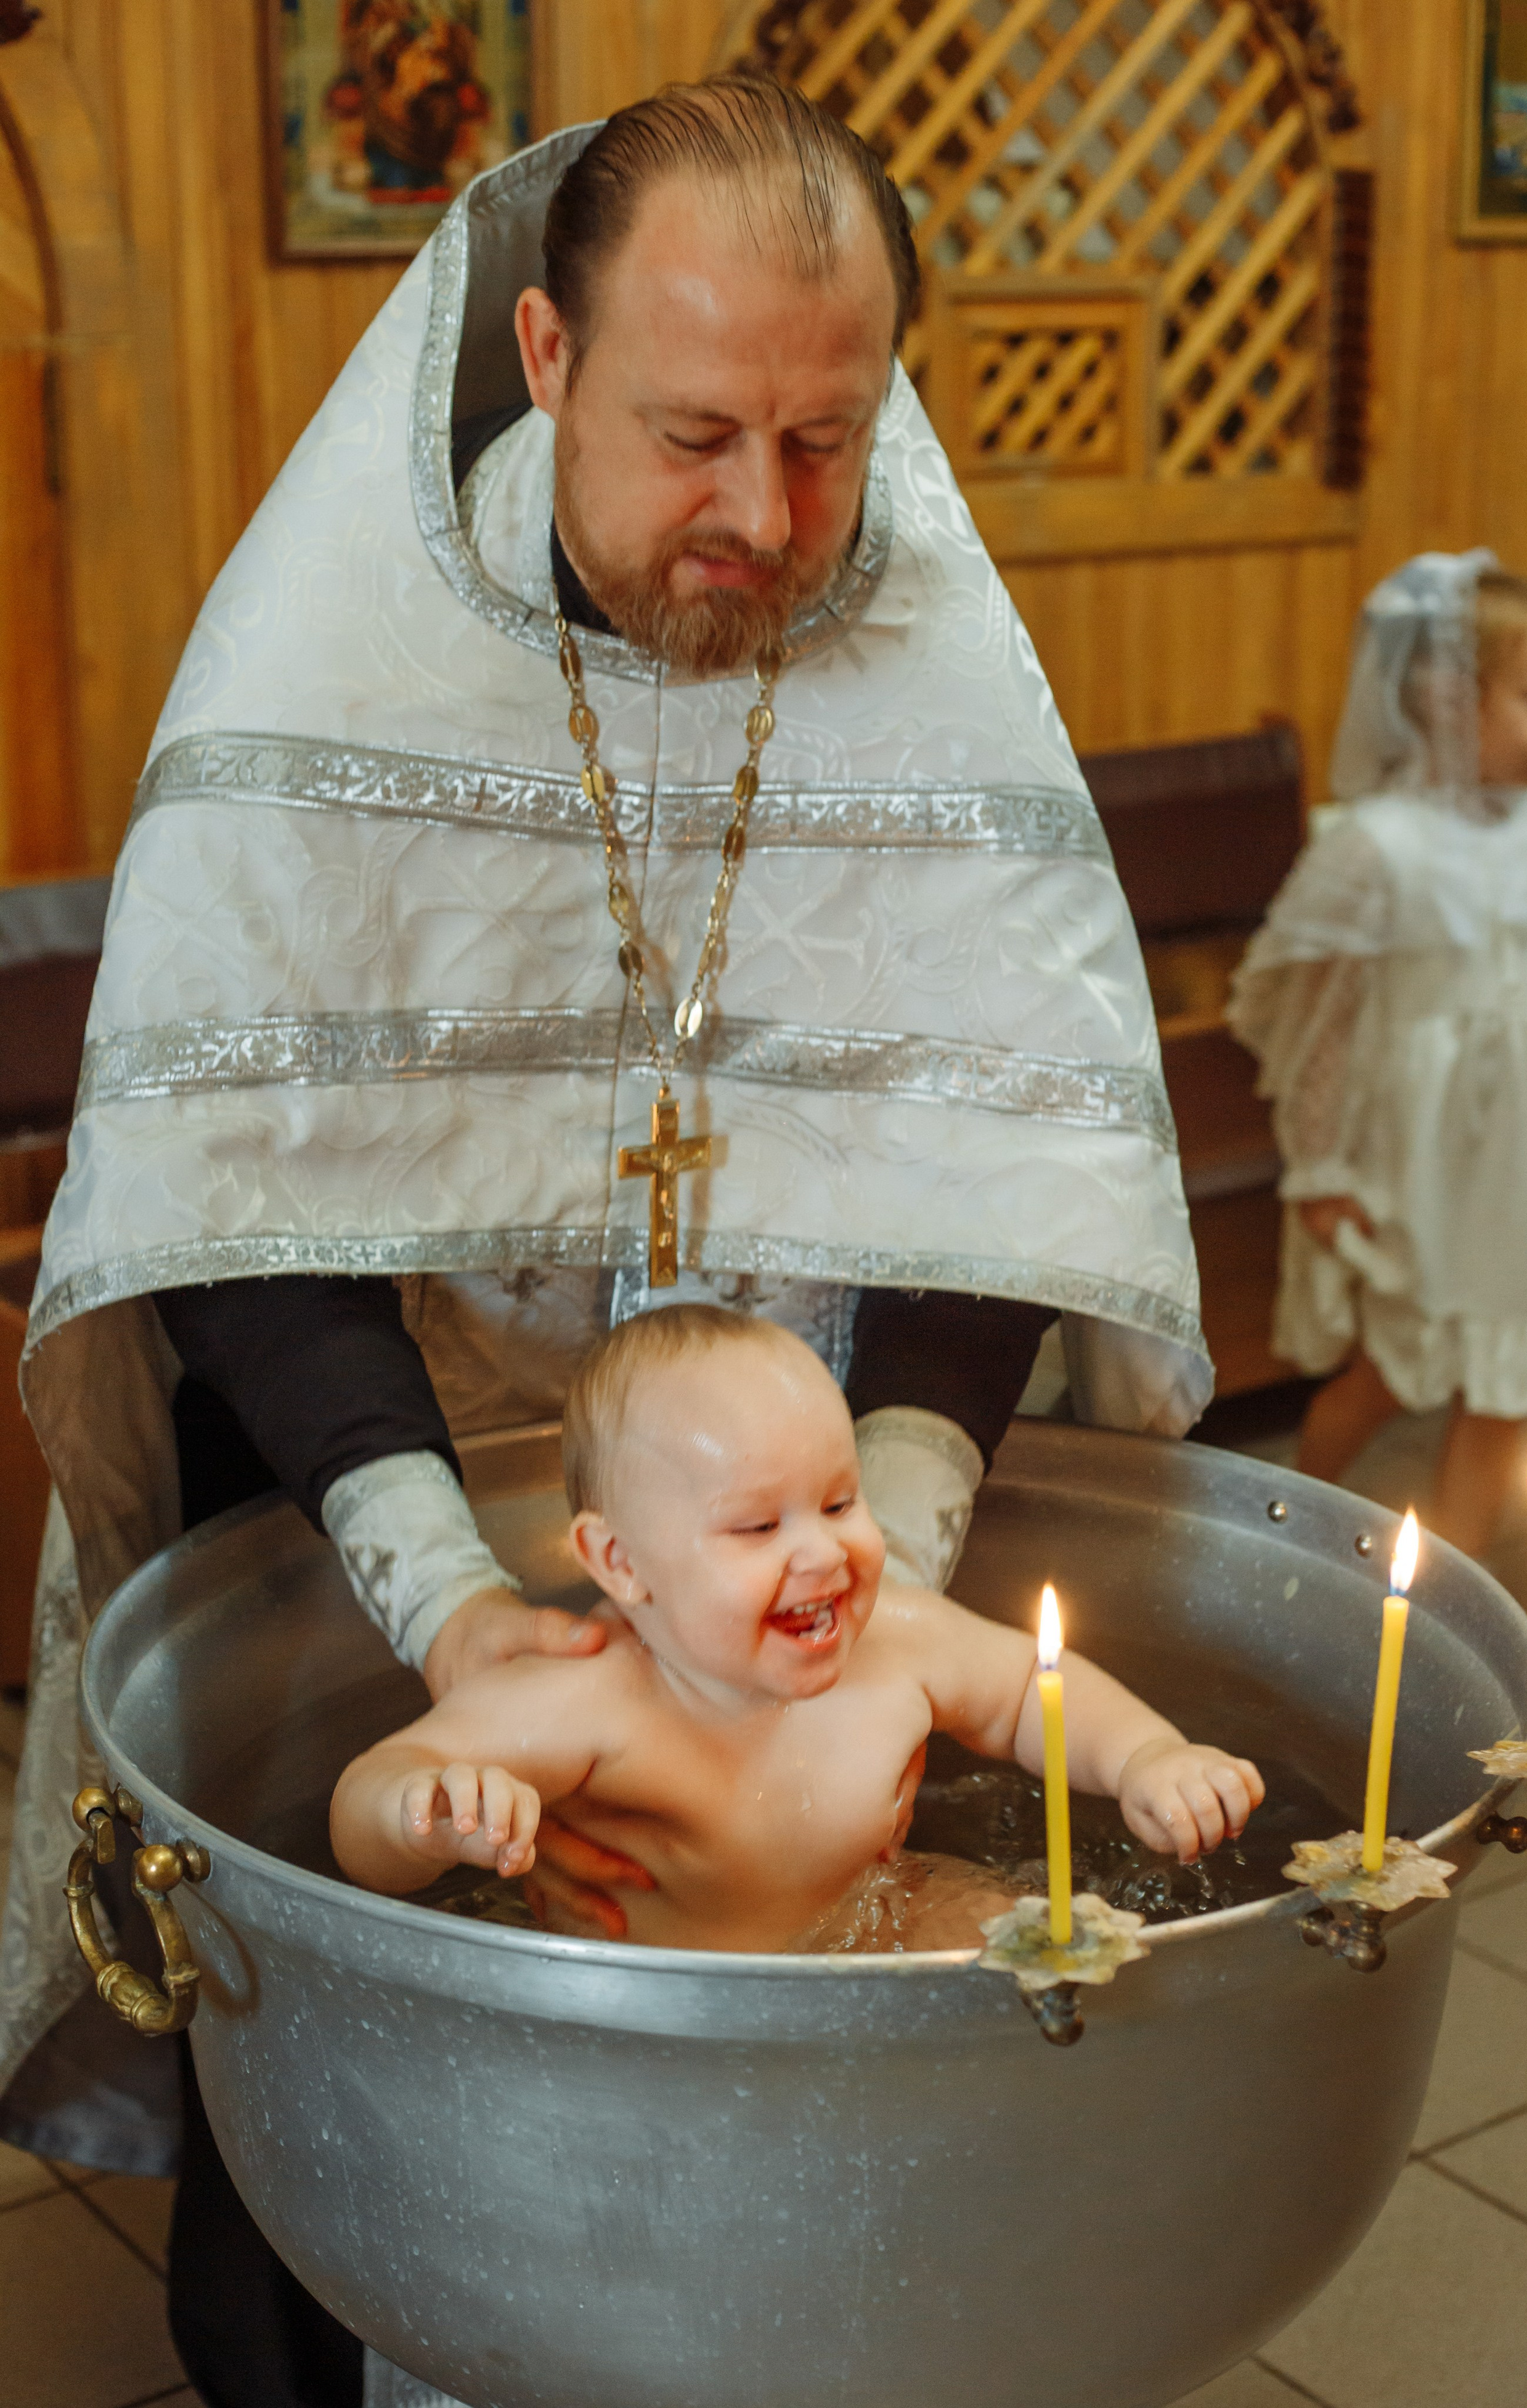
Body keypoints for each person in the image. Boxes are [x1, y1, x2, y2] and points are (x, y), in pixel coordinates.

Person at [2, 76, 1209, 2408]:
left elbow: (1000, 1132)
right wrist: (448, 1593)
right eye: (696, 433)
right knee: (325, 2190)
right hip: (399, 1478)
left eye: (830, 440)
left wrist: (892, 1545)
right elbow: (246, 1178)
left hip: (805, 1481)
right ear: (545, 356)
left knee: (831, 2144)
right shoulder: (329, 677)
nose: (768, 517)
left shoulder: (929, 681)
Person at [332, 1308, 1263, 1950]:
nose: (825, 1552)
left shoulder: (894, 1642)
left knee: (1052, 1938)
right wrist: (429, 1815)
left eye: (840, 1499)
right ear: (619, 1564)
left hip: (881, 1927)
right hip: (670, 2000)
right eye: (758, 1526)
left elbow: (1030, 1686)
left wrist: (1149, 1757)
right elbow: (368, 1799)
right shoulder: (587, 1697)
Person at [1228, 553, 1527, 1556]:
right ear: (1450, 703)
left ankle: (1442, 1597)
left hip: (1518, 1153)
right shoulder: (1380, 849)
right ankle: (1294, 1515)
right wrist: (1325, 1166)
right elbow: (1320, 1015)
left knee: (1505, 1381)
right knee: (1391, 1372)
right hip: (1422, 1158)